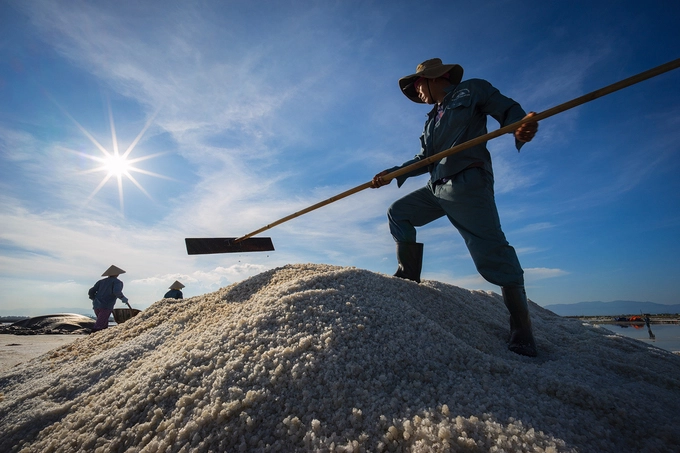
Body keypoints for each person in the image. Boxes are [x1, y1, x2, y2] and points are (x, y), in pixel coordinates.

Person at [371, 58, 539, 357]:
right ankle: (408, 274)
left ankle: (522, 329)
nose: (417, 91)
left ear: (436, 78)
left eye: (418, 85)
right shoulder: (431, 119)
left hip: (466, 182)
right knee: (399, 212)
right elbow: (424, 159)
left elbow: (507, 107)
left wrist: (519, 127)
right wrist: (392, 174)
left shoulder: (471, 90)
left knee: (492, 254)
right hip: (436, 187)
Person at [88, 265, 130, 332]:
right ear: (116, 274)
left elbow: (91, 291)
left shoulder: (101, 282)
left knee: (103, 322)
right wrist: (123, 298)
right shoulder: (117, 282)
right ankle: (93, 336)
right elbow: (116, 292)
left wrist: (93, 298)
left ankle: (101, 338)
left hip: (96, 305)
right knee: (100, 324)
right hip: (106, 305)